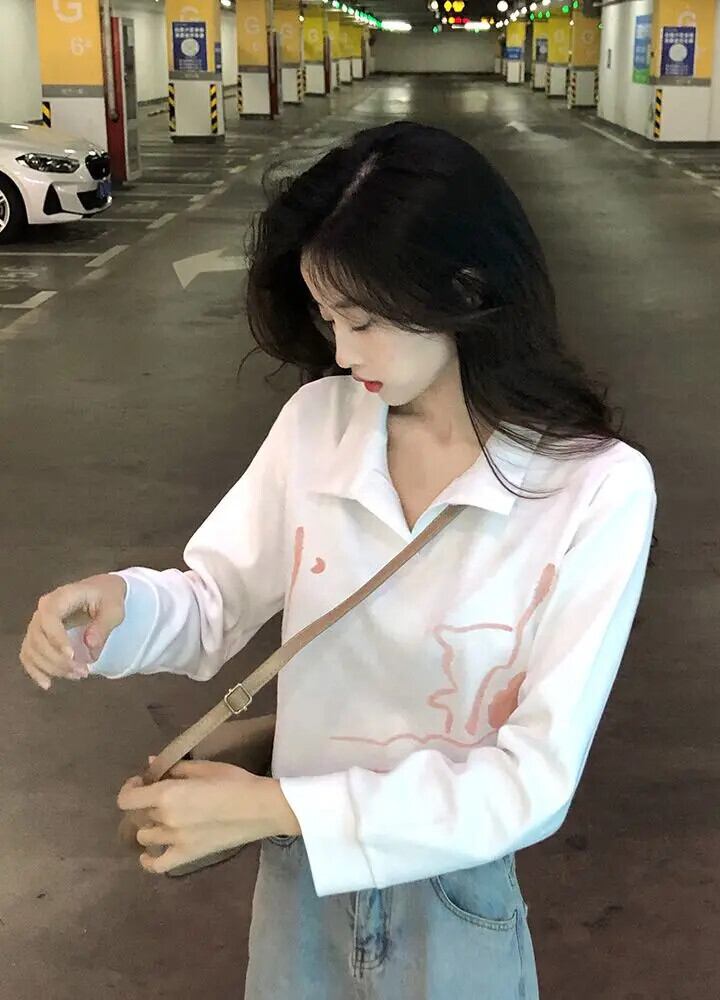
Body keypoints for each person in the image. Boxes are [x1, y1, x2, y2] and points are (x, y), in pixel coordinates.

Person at [20, 121, 657, 1000]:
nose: (342, 351)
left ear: (465, 288)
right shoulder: (320, 424)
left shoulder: (593, 488)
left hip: (452, 899)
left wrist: (276, 807)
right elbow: (215, 599)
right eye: (327, 318)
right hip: (298, 892)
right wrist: (118, 607)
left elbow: (531, 778)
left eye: (363, 320)